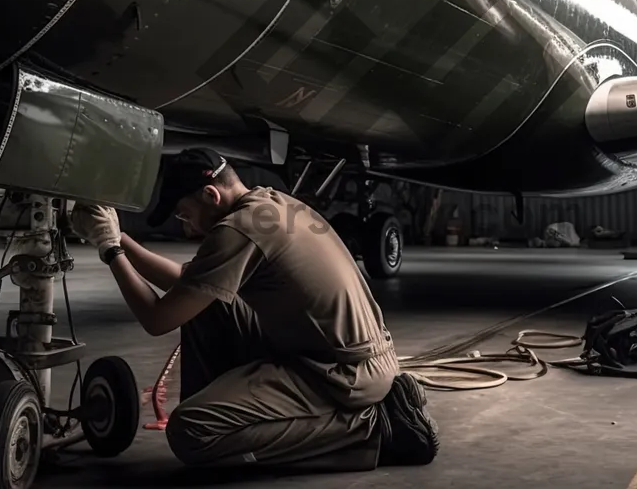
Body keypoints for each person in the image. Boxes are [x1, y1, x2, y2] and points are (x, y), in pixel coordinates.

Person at [68, 147, 439, 472]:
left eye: (185, 215)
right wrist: (117, 235)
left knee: (192, 433)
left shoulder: (238, 230)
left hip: (342, 375)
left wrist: (110, 250)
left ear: (211, 195)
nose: (186, 229)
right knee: (204, 305)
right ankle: (241, 412)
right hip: (338, 355)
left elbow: (157, 318)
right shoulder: (270, 203)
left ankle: (371, 429)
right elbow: (190, 282)